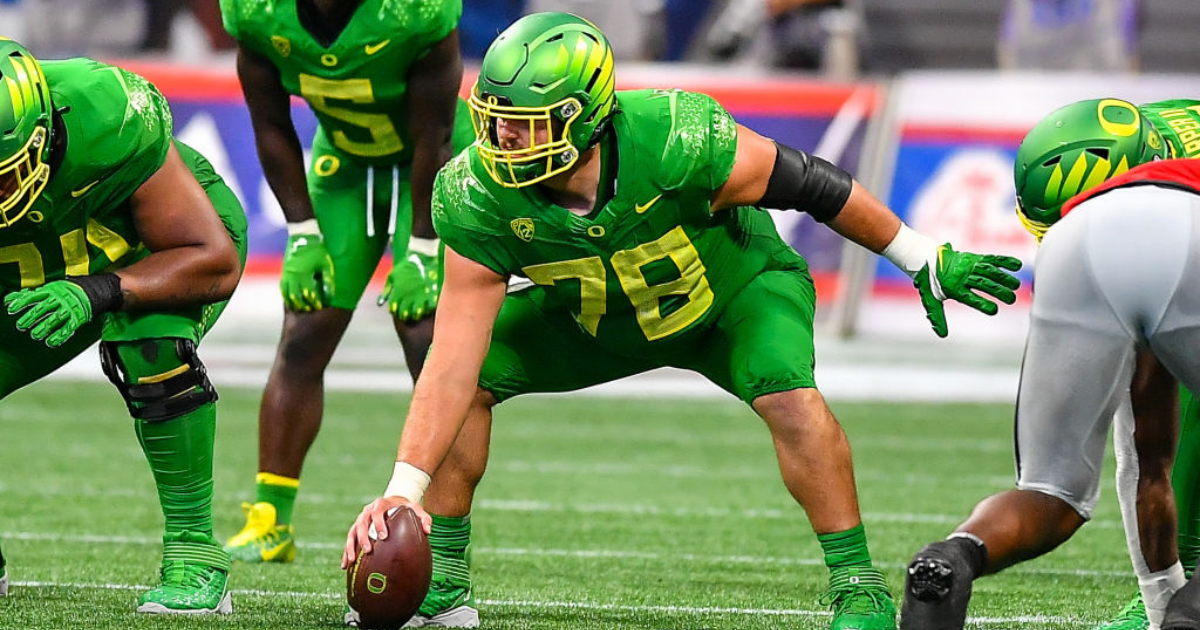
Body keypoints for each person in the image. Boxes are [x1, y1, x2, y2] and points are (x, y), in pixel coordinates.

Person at [340, 12, 1023, 630]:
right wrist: (404, 492)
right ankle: (447, 585)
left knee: (788, 393)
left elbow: (815, 183)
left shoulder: (677, 138)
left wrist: (917, 254)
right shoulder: (474, 194)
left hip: (728, 293)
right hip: (598, 314)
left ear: (585, 118)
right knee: (475, 378)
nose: (501, 137)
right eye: (494, 118)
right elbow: (454, 358)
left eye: (526, 122)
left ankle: (856, 586)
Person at [899, 100, 1200, 630]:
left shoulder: (1084, 209)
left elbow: (1145, 456)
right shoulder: (1165, 137)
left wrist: (1160, 601)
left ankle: (956, 555)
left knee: (1050, 493)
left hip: (1078, 246)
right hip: (1189, 223)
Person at [218, 0, 475, 564]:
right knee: (306, 330)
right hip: (348, 166)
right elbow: (270, 123)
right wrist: (303, 231)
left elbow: (435, 134)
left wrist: (425, 248)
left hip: (435, 164)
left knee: (425, 335)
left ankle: (441, 531)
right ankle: (269, 521)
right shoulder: (256, 13)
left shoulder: (417, 13)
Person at [0, 37, 247, 613]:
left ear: (41, 137)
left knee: (150, 340)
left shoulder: (106, 111)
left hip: (151, 249)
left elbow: (208, 255)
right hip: (27, 267)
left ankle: (194, 553)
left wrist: (98, 291)